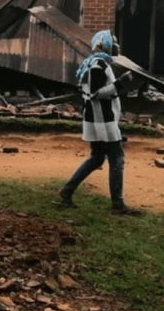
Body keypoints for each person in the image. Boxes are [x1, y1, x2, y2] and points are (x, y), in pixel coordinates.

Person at [57, 30, 143, 216]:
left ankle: (67, 191)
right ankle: (118, 204)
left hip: (95, 119)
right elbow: (96, 93)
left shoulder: (95, 62)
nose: (116, 45)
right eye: (113, 42)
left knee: (96, 158)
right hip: (103, 120)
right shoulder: (99, 64)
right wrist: (121, 83)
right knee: (117, 159)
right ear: (104, 44)